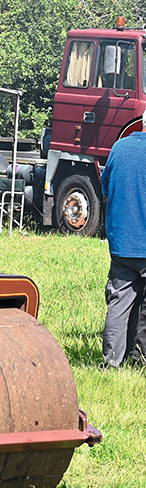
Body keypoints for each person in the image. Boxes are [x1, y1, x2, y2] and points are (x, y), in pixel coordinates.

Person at [99, 106, 146, 367]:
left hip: (122, 243)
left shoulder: (119, 147)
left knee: (119, 304)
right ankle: (140, 360)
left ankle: (111, 362)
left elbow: (105, 187)